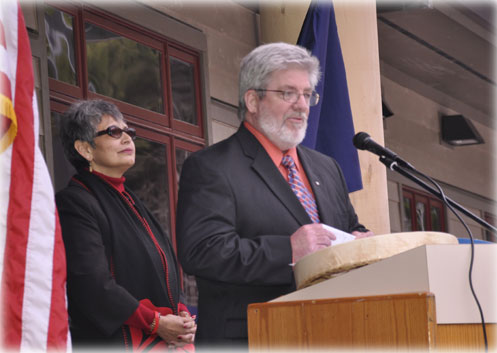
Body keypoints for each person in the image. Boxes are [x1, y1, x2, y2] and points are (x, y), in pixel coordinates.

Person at [175, 42, 373, 347]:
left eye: (307, 95)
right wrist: (288, 251)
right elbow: (202, 251)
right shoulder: (212, 167)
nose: (302, 105)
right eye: (288, 93)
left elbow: (348, 226)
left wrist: (361, 242)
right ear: (252, 100)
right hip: (251, 338)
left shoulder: (326, 167)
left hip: (332, 332)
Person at [56, 99, 196, 350]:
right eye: (113, 132)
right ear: (85, 149)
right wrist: (156, 323)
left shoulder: (129, 198)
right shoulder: (75, 202)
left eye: (128, 132)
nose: (127, 139)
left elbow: (164, 264)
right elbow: (91, 283)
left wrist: (182, 312)